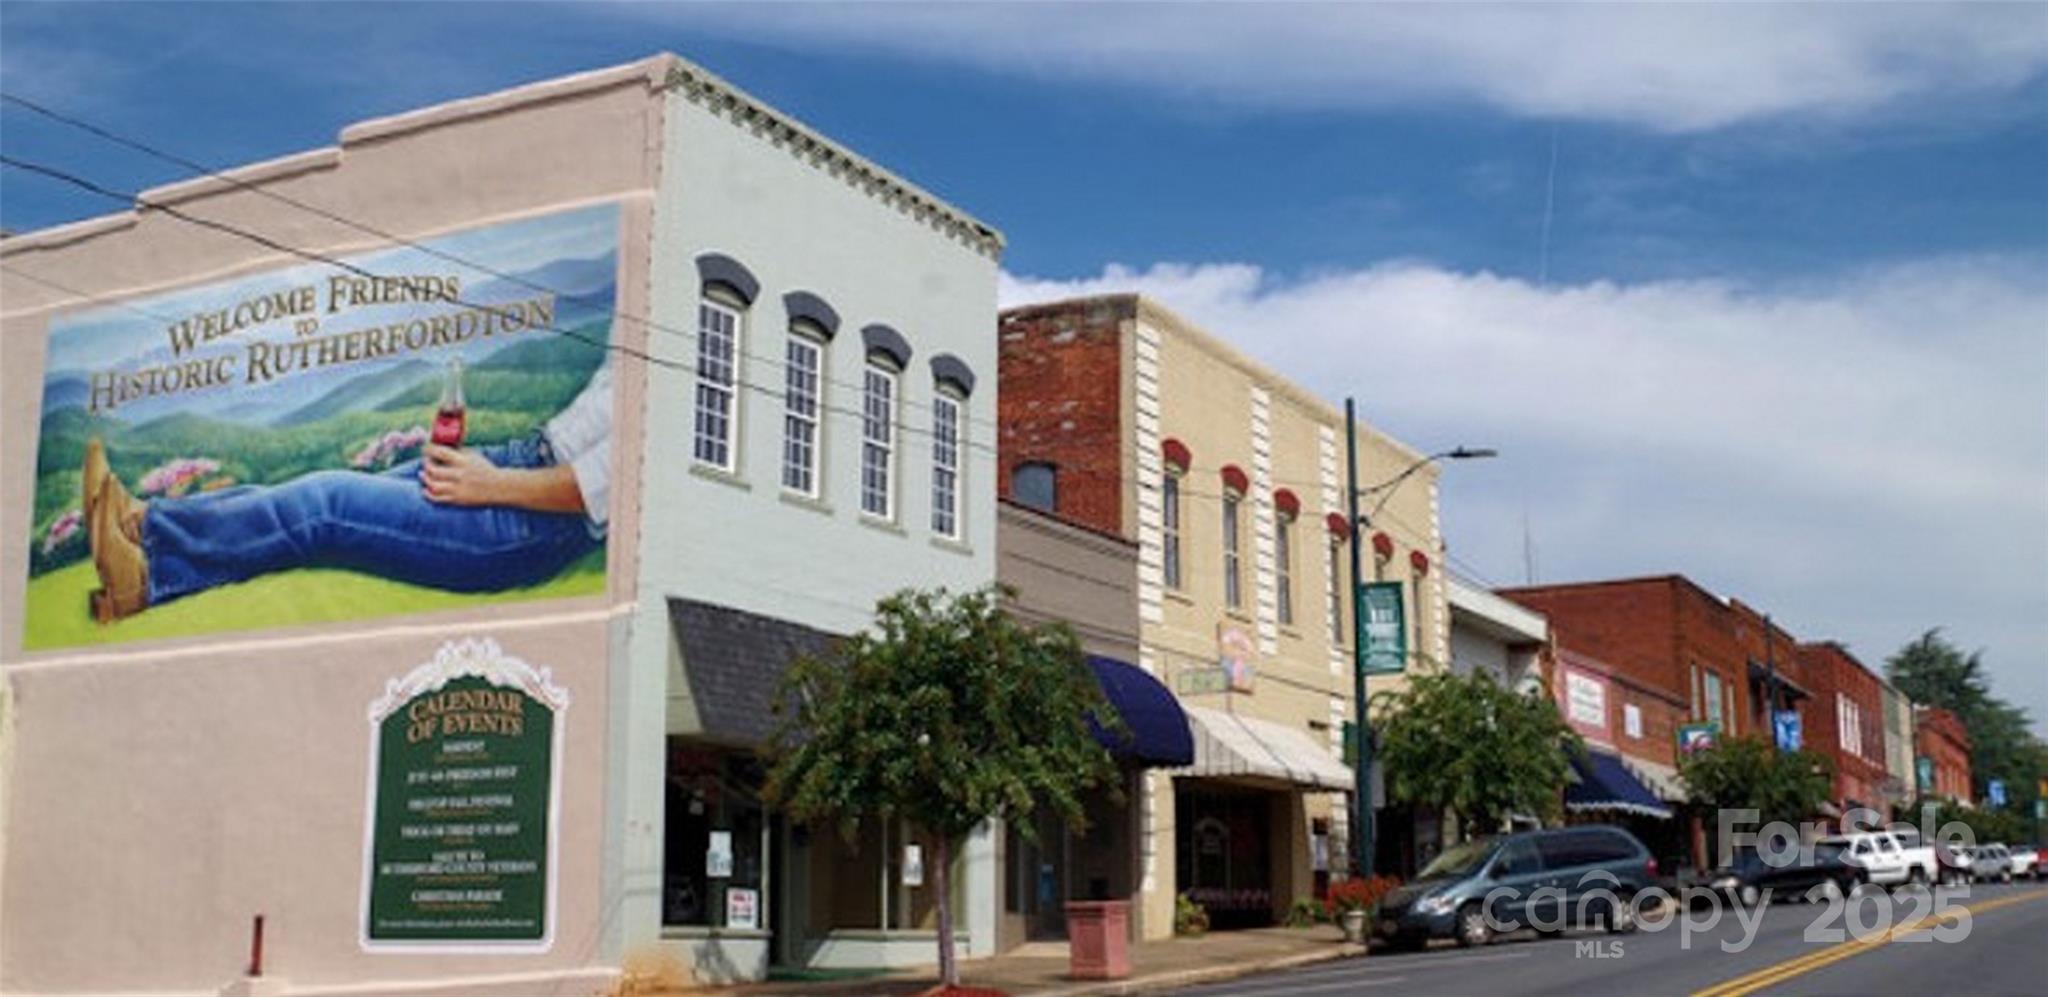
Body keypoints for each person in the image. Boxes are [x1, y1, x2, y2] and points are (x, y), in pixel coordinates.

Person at [82, 363, 612, 623]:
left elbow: (608, 479)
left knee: (326, 502)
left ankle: (150, 568)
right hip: (521, 459)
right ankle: (142, 525)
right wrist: (494, 466)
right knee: (293, 494)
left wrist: (494, 483)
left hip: (536, 516)